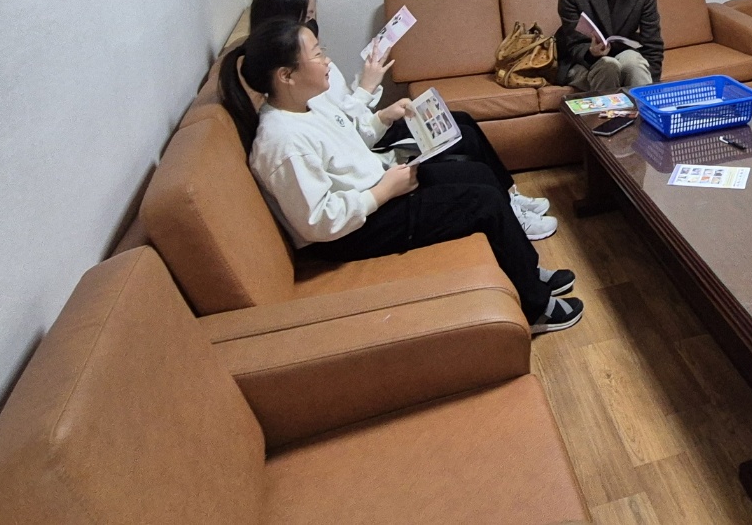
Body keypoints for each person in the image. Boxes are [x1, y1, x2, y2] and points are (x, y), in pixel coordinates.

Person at [219, 18, 584, 334]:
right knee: (483, 202)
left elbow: (352, 142)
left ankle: (526, 270)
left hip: (378, 191)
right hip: (354, 231)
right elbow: (319, 222)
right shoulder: (282, 142)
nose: (327, 60)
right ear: (286, 76)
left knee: (477, 173)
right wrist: (382, 192)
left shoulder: (307, 106)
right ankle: (536, 309)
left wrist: (382, 122)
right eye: (317, 55)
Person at [247, 0, 557, 239]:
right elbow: (346, 133)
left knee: (461, 121)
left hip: (368, 146)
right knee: (464, 142)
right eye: (307, 17)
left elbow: (344, 124)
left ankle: (509, 197)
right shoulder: (293, 107)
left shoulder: (304, 85)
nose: (313, 26)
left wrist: (378, 108)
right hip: (369, 175)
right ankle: (507, 207)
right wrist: (367, 89)